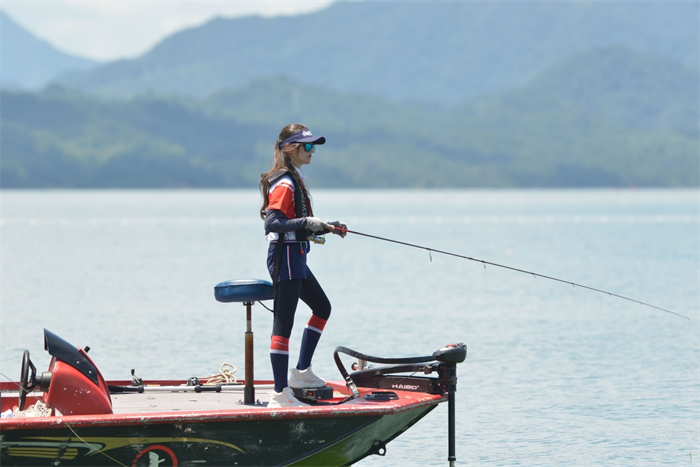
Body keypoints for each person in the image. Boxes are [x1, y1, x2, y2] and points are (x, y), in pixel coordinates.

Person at [259, 123, 346, 408]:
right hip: (285, 256)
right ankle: (279, 394)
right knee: (283, 325)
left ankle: (301, 373)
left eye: (314, 146)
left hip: (295, 255)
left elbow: (295, 223)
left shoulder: (294, 178)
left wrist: (328, 227)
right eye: (307, 146)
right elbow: (273, 223)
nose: (312, 151)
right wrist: (308, 223)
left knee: (322, 308)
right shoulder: (284, 182)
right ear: (290, 148)